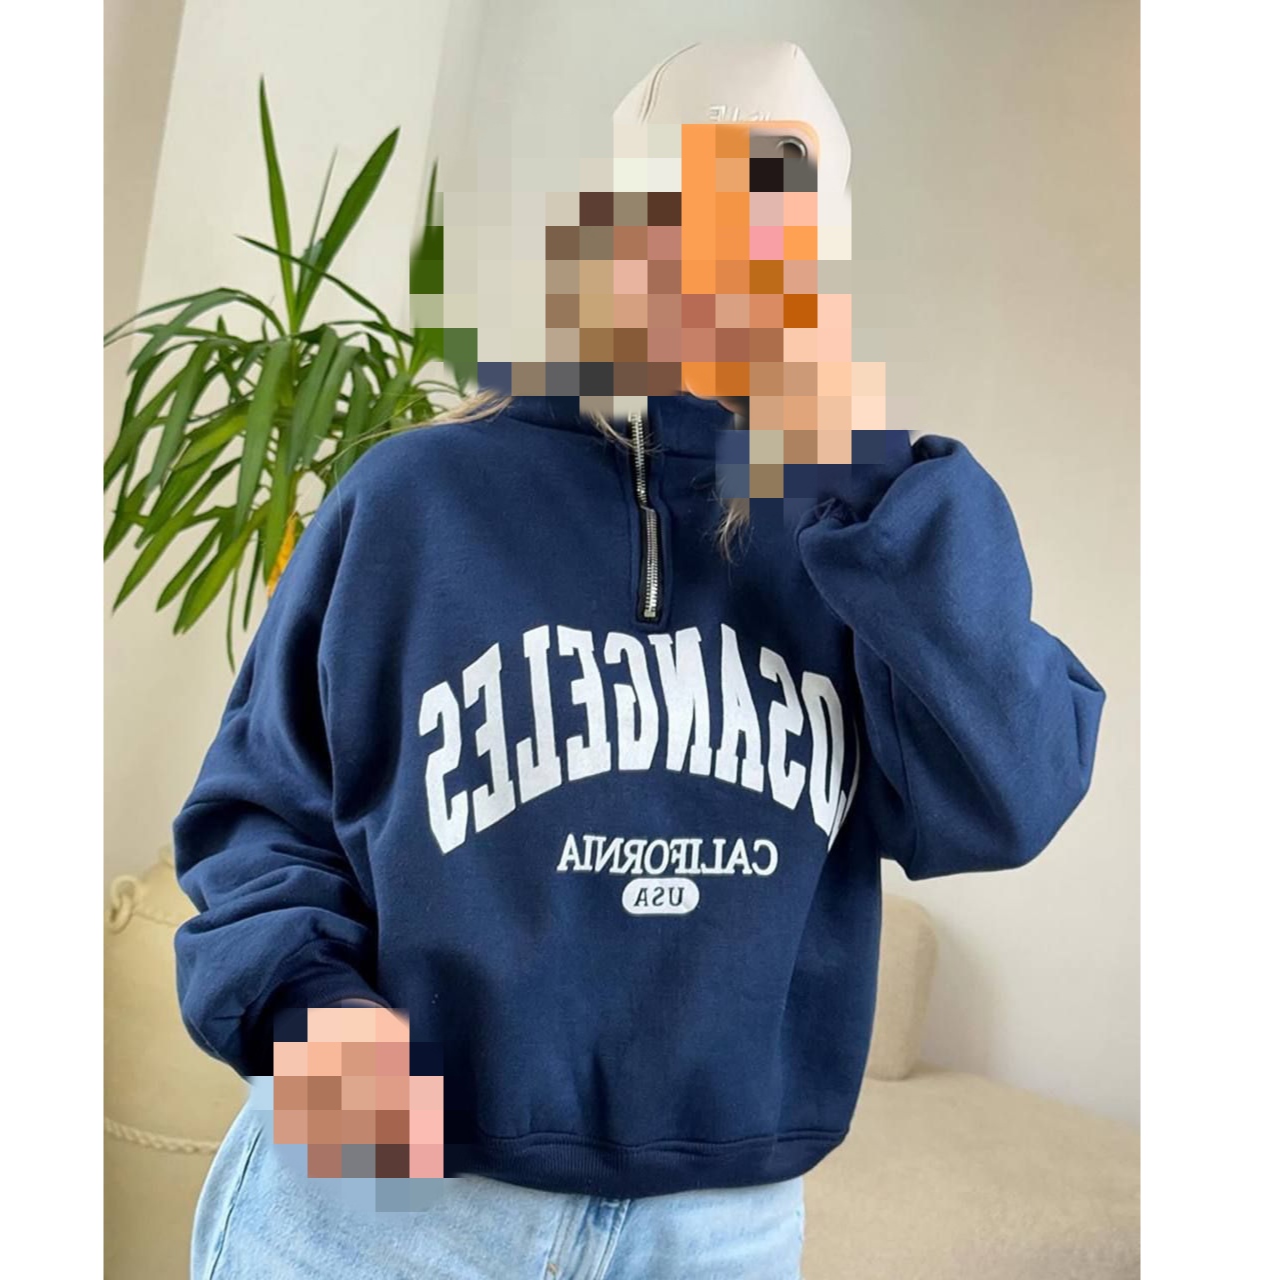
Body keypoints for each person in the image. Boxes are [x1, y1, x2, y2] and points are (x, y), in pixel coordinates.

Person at [175, 41, 1106, 1280]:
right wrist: (315, 1025)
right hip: (391, 1187)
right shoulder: (416, 497)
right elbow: (256, 814)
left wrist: (854, 469)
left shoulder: (864, 536)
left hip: (715, 1226)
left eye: (773, 211)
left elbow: (1013, 792)